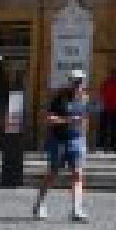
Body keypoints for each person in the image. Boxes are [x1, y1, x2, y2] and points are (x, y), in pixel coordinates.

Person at [34, 69, 92, 222]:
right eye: (76, 81)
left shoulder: (84, 98)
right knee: (53, 173)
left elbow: (84, 118)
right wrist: (67, 121)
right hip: (58, 139)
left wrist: (83, 137)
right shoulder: (59, 97)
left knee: (78, 173)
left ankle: (76, 209)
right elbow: (49, 118)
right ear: (70, 81)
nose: (78, 84)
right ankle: (40, 204)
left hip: (76, 139)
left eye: (81, 81)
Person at [97, 67, 116, 152]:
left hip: (113, 109)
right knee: (105, 128)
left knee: (113, 129)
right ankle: (103, 146)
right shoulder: (108, 83)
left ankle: (112, 146)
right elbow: (102, 95)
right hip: (107, 109)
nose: (115, 75)